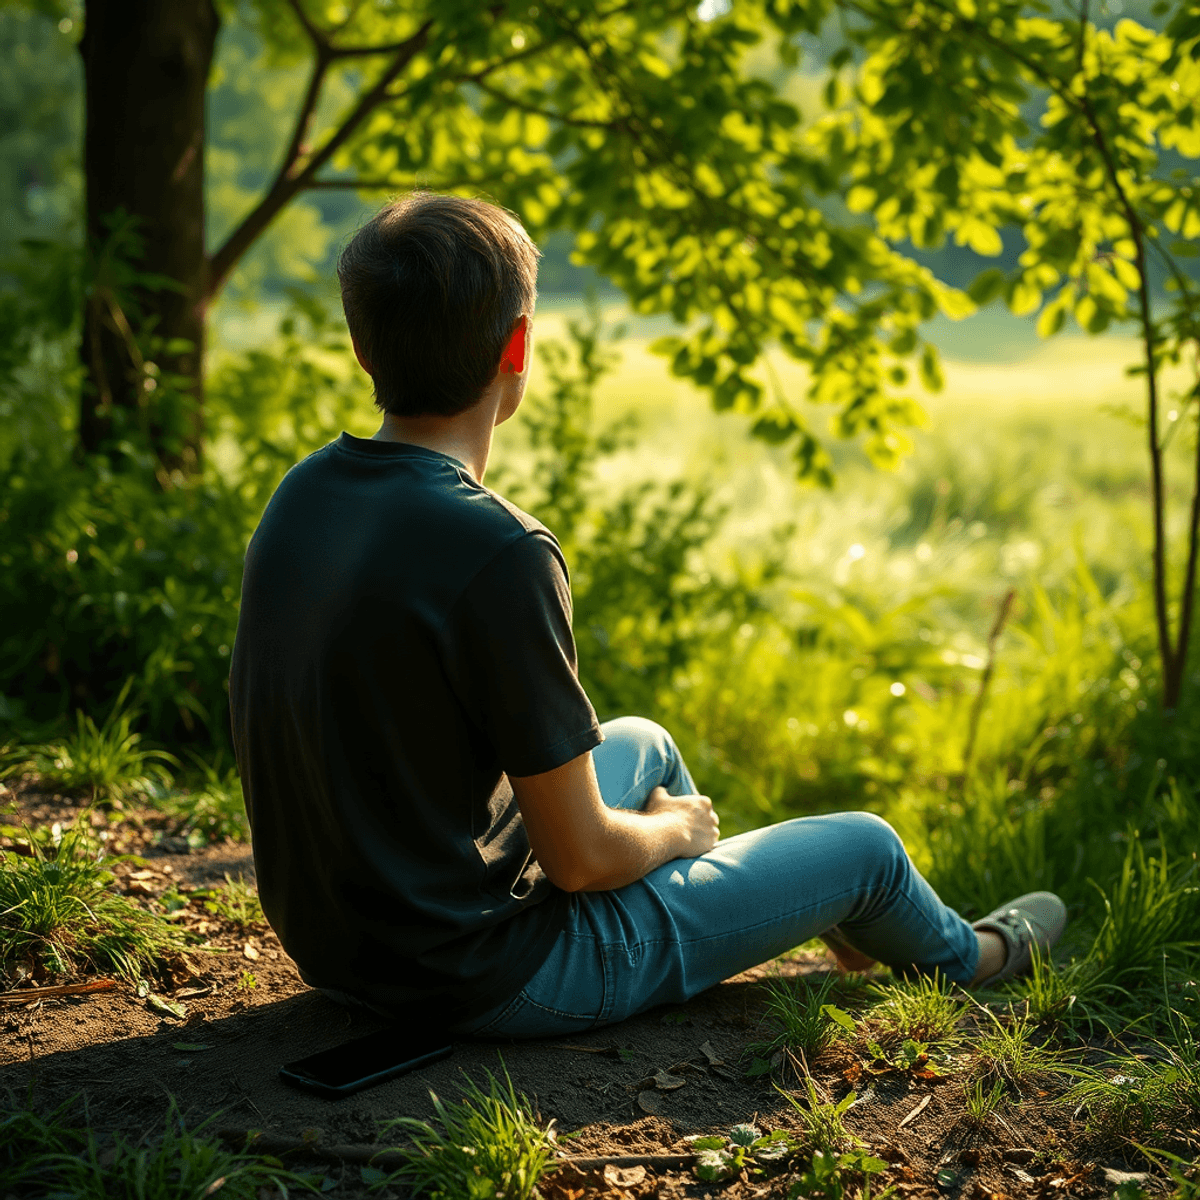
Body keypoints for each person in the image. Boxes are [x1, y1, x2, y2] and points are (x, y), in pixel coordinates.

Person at [229, 192, 1066, 1040]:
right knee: (869, 849)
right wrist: (670, 833)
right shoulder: (499, 549)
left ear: (361, 344)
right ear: (517, 347)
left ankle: (828, 917)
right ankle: (969, 955)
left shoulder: (303, 496)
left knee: (649, 743)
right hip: (477, 975)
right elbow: (581, 858)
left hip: (341, 945)